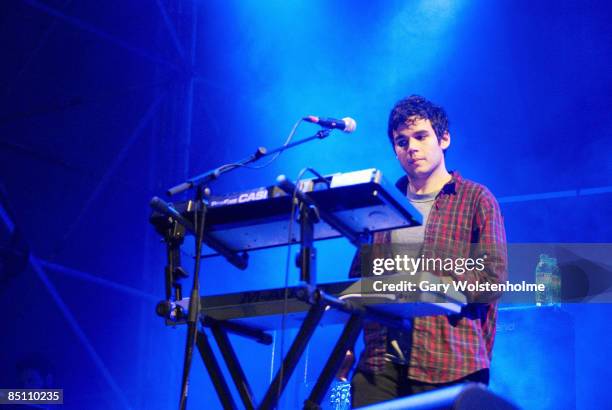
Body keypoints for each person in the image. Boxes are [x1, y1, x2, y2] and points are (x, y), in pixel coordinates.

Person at [346, 95, 508, 407]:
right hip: (379, 364)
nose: (411, 148)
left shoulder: (477, 199)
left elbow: (493, 279)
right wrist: (347, 347)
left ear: (444, 138)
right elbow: (358, 282)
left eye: (421, 137)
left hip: (449, 362)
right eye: (401, 141)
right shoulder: (382, 204)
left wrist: (431, 279)